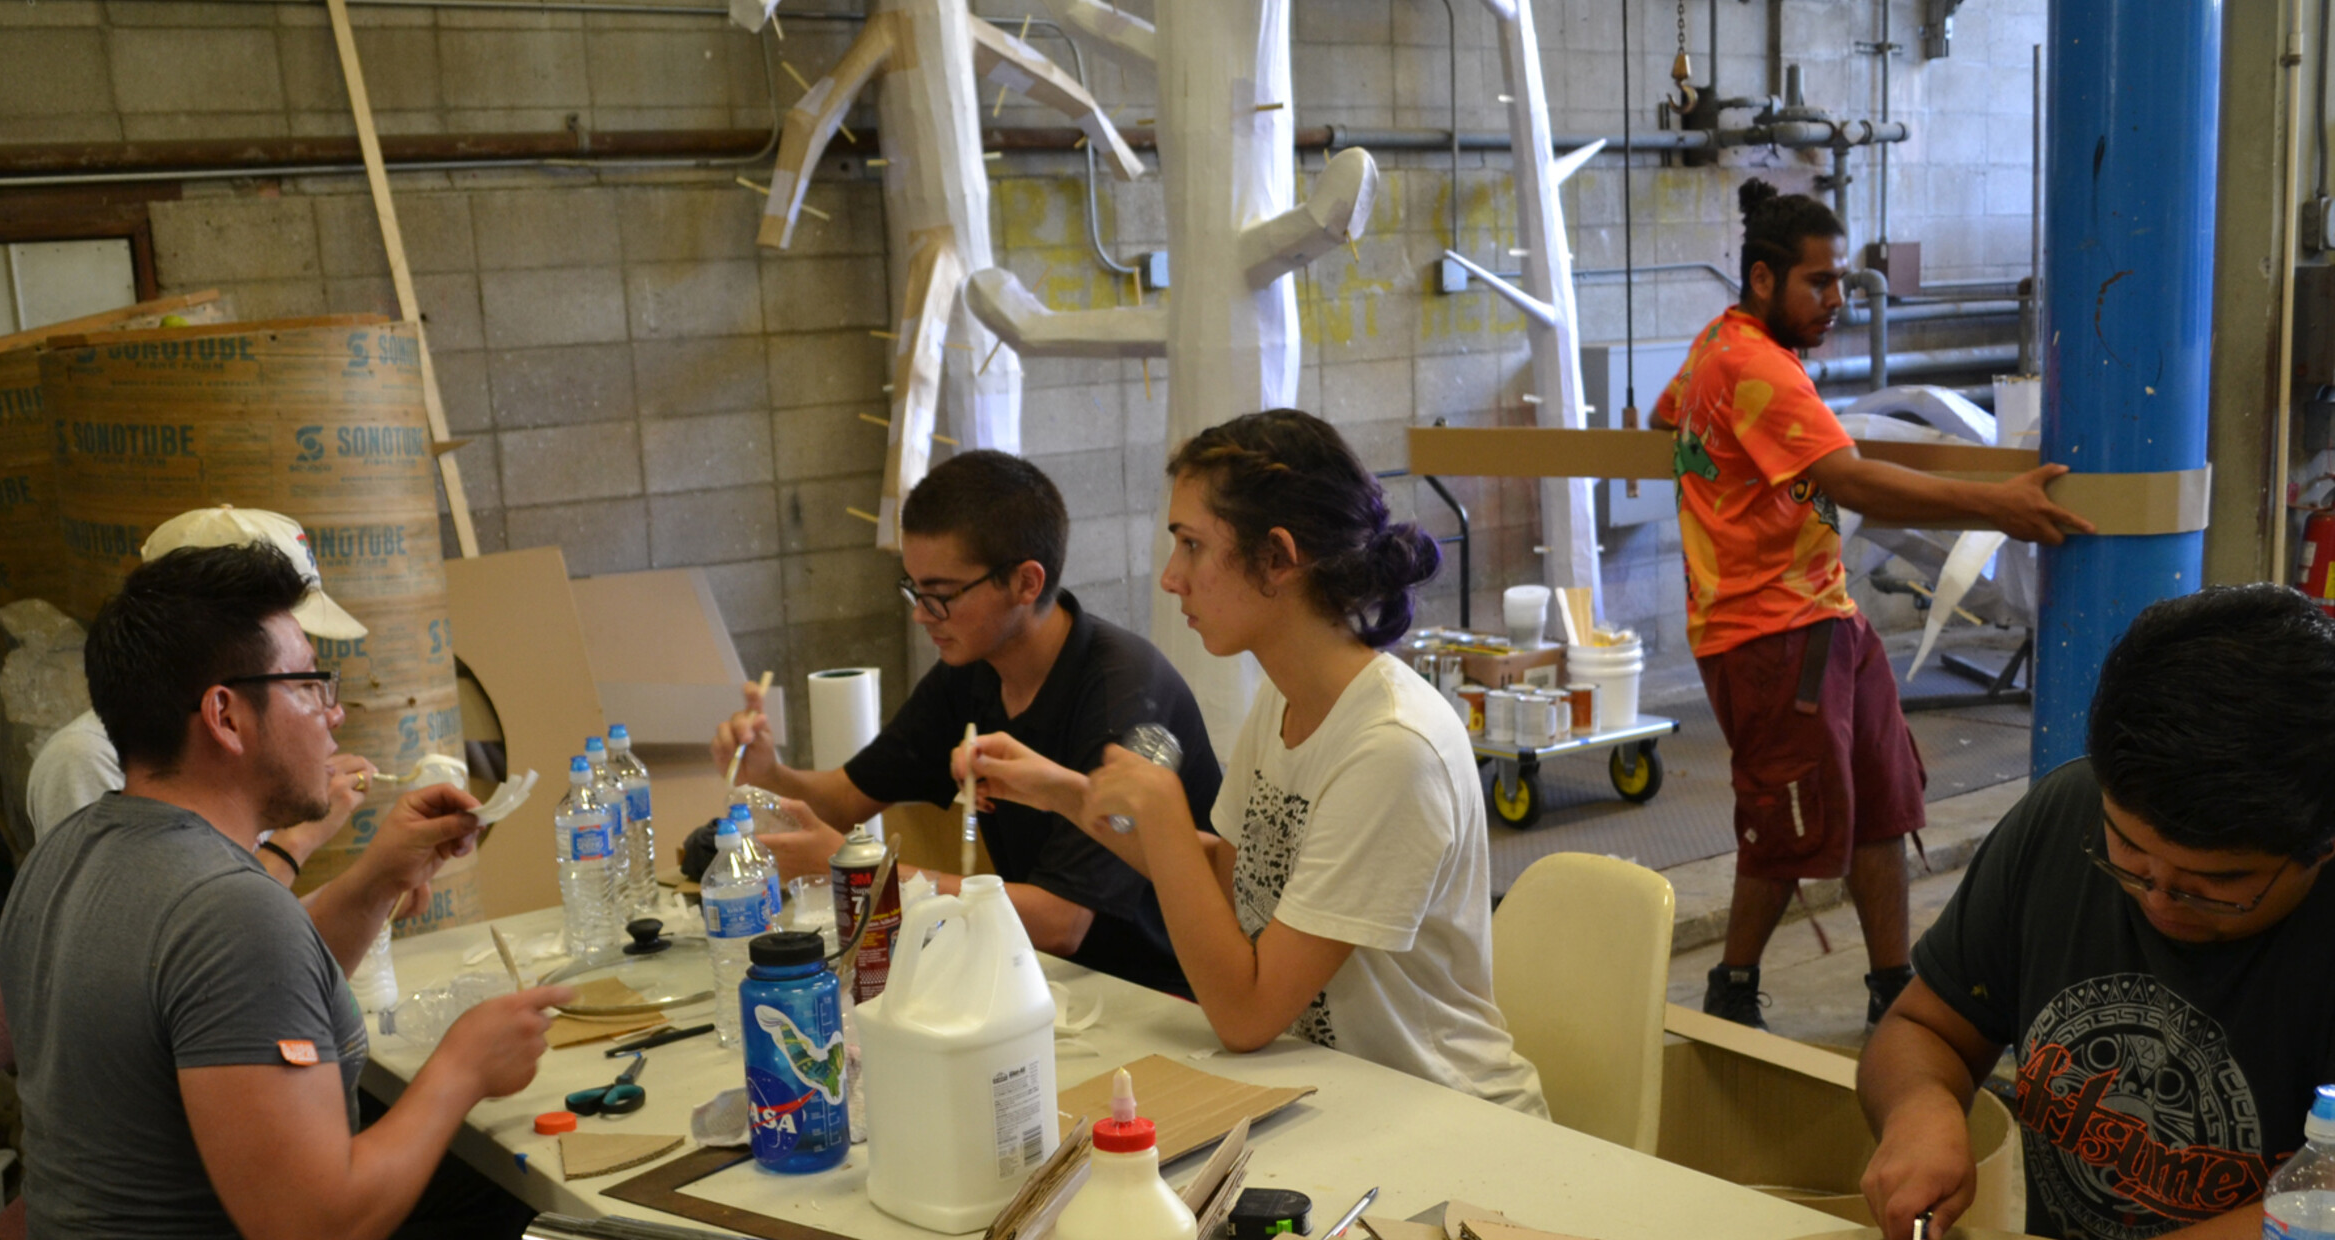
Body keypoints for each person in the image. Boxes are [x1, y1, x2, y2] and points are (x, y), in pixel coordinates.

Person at [1858, 585, 2335, 1240]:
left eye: (2214, 884)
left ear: (2330, 841)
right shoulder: (2066, 813)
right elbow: (1926, 1029)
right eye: (2130, 854)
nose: (2158, 898)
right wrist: (1921, 1110)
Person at [968, 410, 1546, 1115]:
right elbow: (1238, 883)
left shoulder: (1392, 747)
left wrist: (1161, 810)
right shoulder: (1284, 701)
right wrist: (1063, 793)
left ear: (1277, 557)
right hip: (1337, 1094)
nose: (1171, 578)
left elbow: (1245, 1014)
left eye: (1192, 546)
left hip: (1449, 1115)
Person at [0, 544, 571, 1240]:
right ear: (226, 715)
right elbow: (314, 1225)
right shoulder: (227, 911)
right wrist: (461, 1068)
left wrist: (377, 881)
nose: (333, 716)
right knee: (534, 1200)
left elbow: (227, 1003)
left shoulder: (70, 850)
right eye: (308, 686)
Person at [1653, 178, 2094, 1029]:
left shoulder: (1723, 347)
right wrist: (1997, 504)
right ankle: (1731, 993)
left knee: (1883, 803)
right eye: (1819, 283)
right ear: (1760, 279)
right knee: (1784, 827)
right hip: (1765, 633)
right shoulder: (1751, 366)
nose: (1837, 301)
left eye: (1843, 282)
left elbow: (1670, 417)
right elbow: (1851, 479)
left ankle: (1893, 986)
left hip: (1824, 617)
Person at [711, 450, 1223, 994]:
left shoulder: (1121, 697)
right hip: (1046, 980)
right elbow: (844, 798)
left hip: (1163, 995)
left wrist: (866, 879)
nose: (920, 614)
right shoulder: (973, 669)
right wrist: (771, 773)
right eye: (913, 589)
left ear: (1027, 583)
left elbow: (1062, 923)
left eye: (941, 595)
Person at [28, 505, 375, 889]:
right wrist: (296, 840)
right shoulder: (86, 757)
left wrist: (382, 880)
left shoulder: (235, 769)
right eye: (302, 681)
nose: (333, 713)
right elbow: (170, 932)